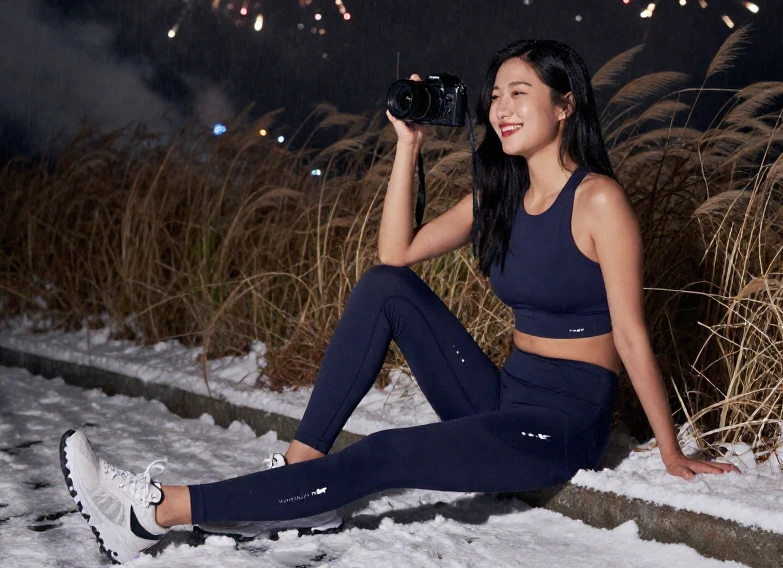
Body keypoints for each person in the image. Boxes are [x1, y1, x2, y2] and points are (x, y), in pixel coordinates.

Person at [57, 39, 739, 563]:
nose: (500, 108)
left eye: (520, 92)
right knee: (386, 289)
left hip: (562, 424)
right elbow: (395, 256)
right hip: (504, 397)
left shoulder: (598, 201)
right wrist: (407, 146)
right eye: (496, 93)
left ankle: (156, 513)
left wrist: (671, 451)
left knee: (383, 454)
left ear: (566, 105)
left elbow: (630, 334)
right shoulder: (499, 197)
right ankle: (301, 467)